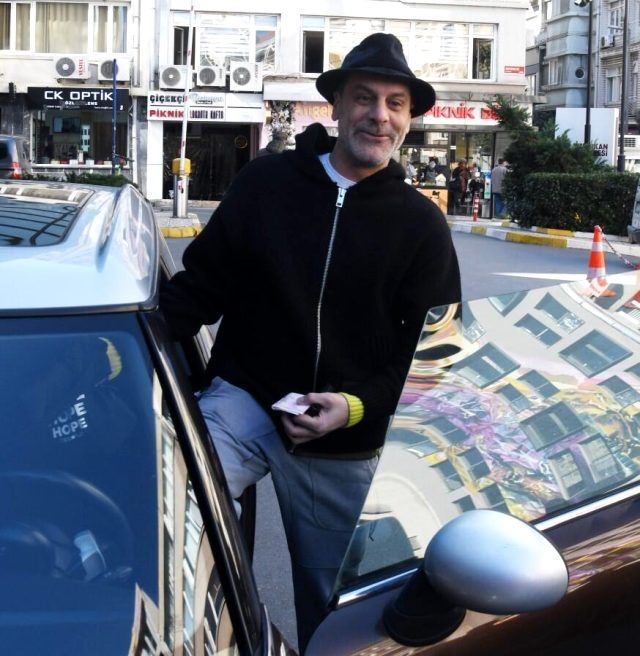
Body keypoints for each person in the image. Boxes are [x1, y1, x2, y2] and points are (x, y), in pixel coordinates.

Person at [159, 32, 461, 652]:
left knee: (337, 609)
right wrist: (121, 357)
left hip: (344, 439)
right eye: (364, 97)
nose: (379, 115)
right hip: (244, 402)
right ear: (337, 105)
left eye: (395, 103)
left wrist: (352, 407)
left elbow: (435, 357)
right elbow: (200, 288)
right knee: (171, 513)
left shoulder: (420, 225)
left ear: (408, 119)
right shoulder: (267, 183)